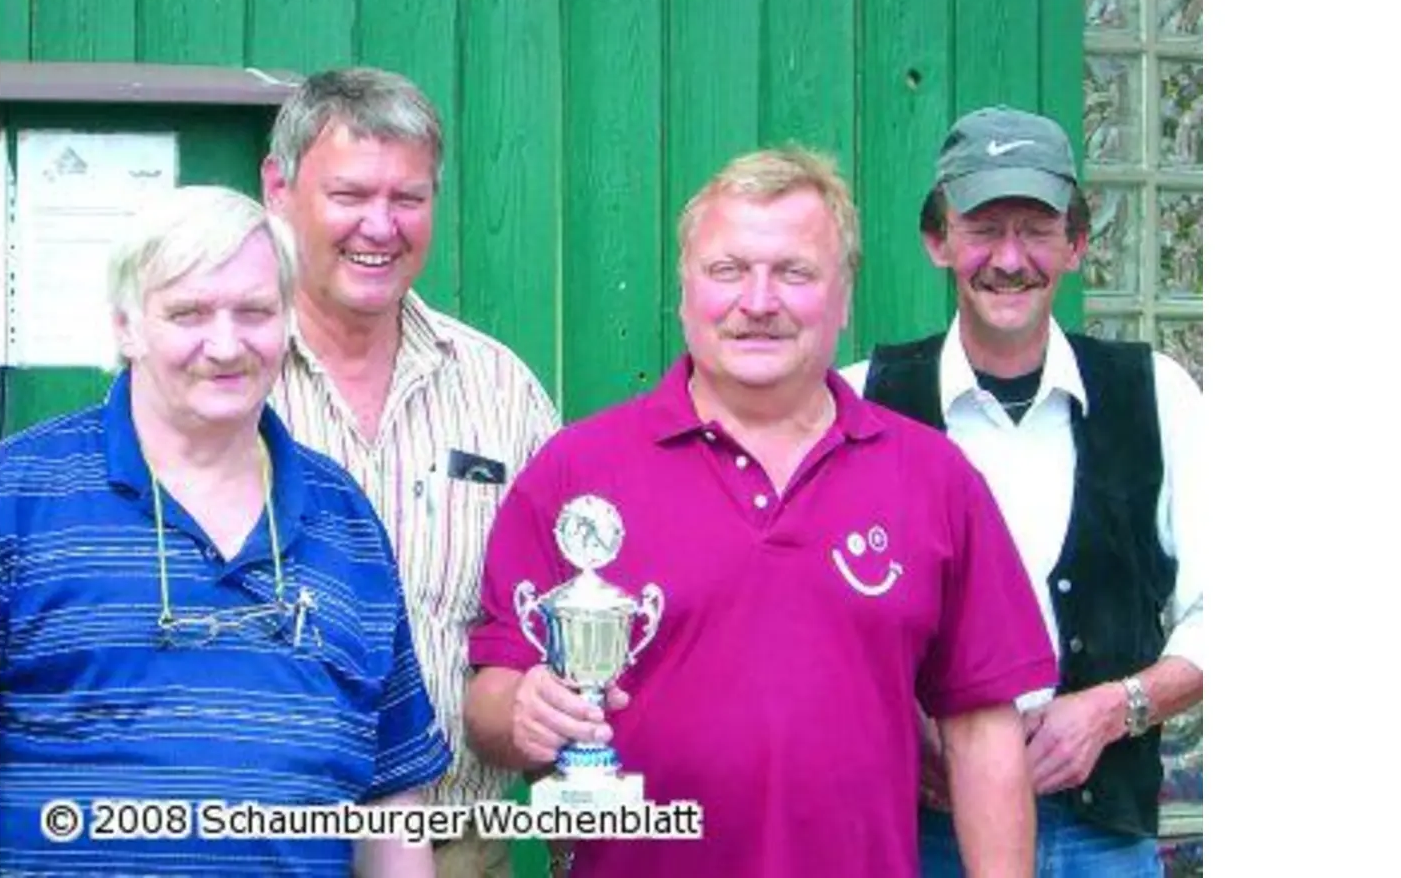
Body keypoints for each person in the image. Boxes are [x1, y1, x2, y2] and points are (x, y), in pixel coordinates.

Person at [462, 147, 1059, 878]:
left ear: (843, 300)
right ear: (685, 292)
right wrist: (522, 708)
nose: (758, 301)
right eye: (728, 270)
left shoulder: (933, 478)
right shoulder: (574, 471)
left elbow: (982, 729)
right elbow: (490, 700)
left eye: (795, 273)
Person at [0, 186, 450, 876]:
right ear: (127, 327)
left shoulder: (344, 520)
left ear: (288, 320)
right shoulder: (14, 497)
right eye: (188, 313)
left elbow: (392, 797)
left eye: (255, 312)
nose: (225, 344)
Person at [839, 105, 1204, 876]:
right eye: (983, 228)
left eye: (1036, 229)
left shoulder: (1156, 394)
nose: (1010, 258)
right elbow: (803, 620)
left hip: (1101, 837)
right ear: (937, 240)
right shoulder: (856, 401)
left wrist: (1117, 708)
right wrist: (902, 722)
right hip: (912, 834)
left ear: (1076, 242)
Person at [261, 67, 561, 878]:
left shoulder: (502, 391)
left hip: (457, 847)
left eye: (409, 198)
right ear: (279, 189)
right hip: (261, 846)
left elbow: (552, 635)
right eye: (350, 194)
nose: (380, 226)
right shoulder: (219, 380)